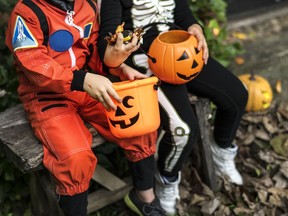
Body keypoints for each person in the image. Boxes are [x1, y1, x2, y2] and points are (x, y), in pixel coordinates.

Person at [5, 0, 166, 215]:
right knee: (75, 157)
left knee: (137, 122)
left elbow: (93, 52)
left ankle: (144, 199)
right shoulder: (27, 13)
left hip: (89, 87)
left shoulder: (85, 5)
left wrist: (120, 67)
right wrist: (81, 80)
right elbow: (33, 64)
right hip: (46, 96)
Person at [97, 0, 248, 215]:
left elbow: (184, 16)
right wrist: (119, 57)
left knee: (237, 95)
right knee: (183, 130)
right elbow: (107, 41)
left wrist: (195, 28)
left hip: (182, 50)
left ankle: (222, 149)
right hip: (144, 58)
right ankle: (166, 179)